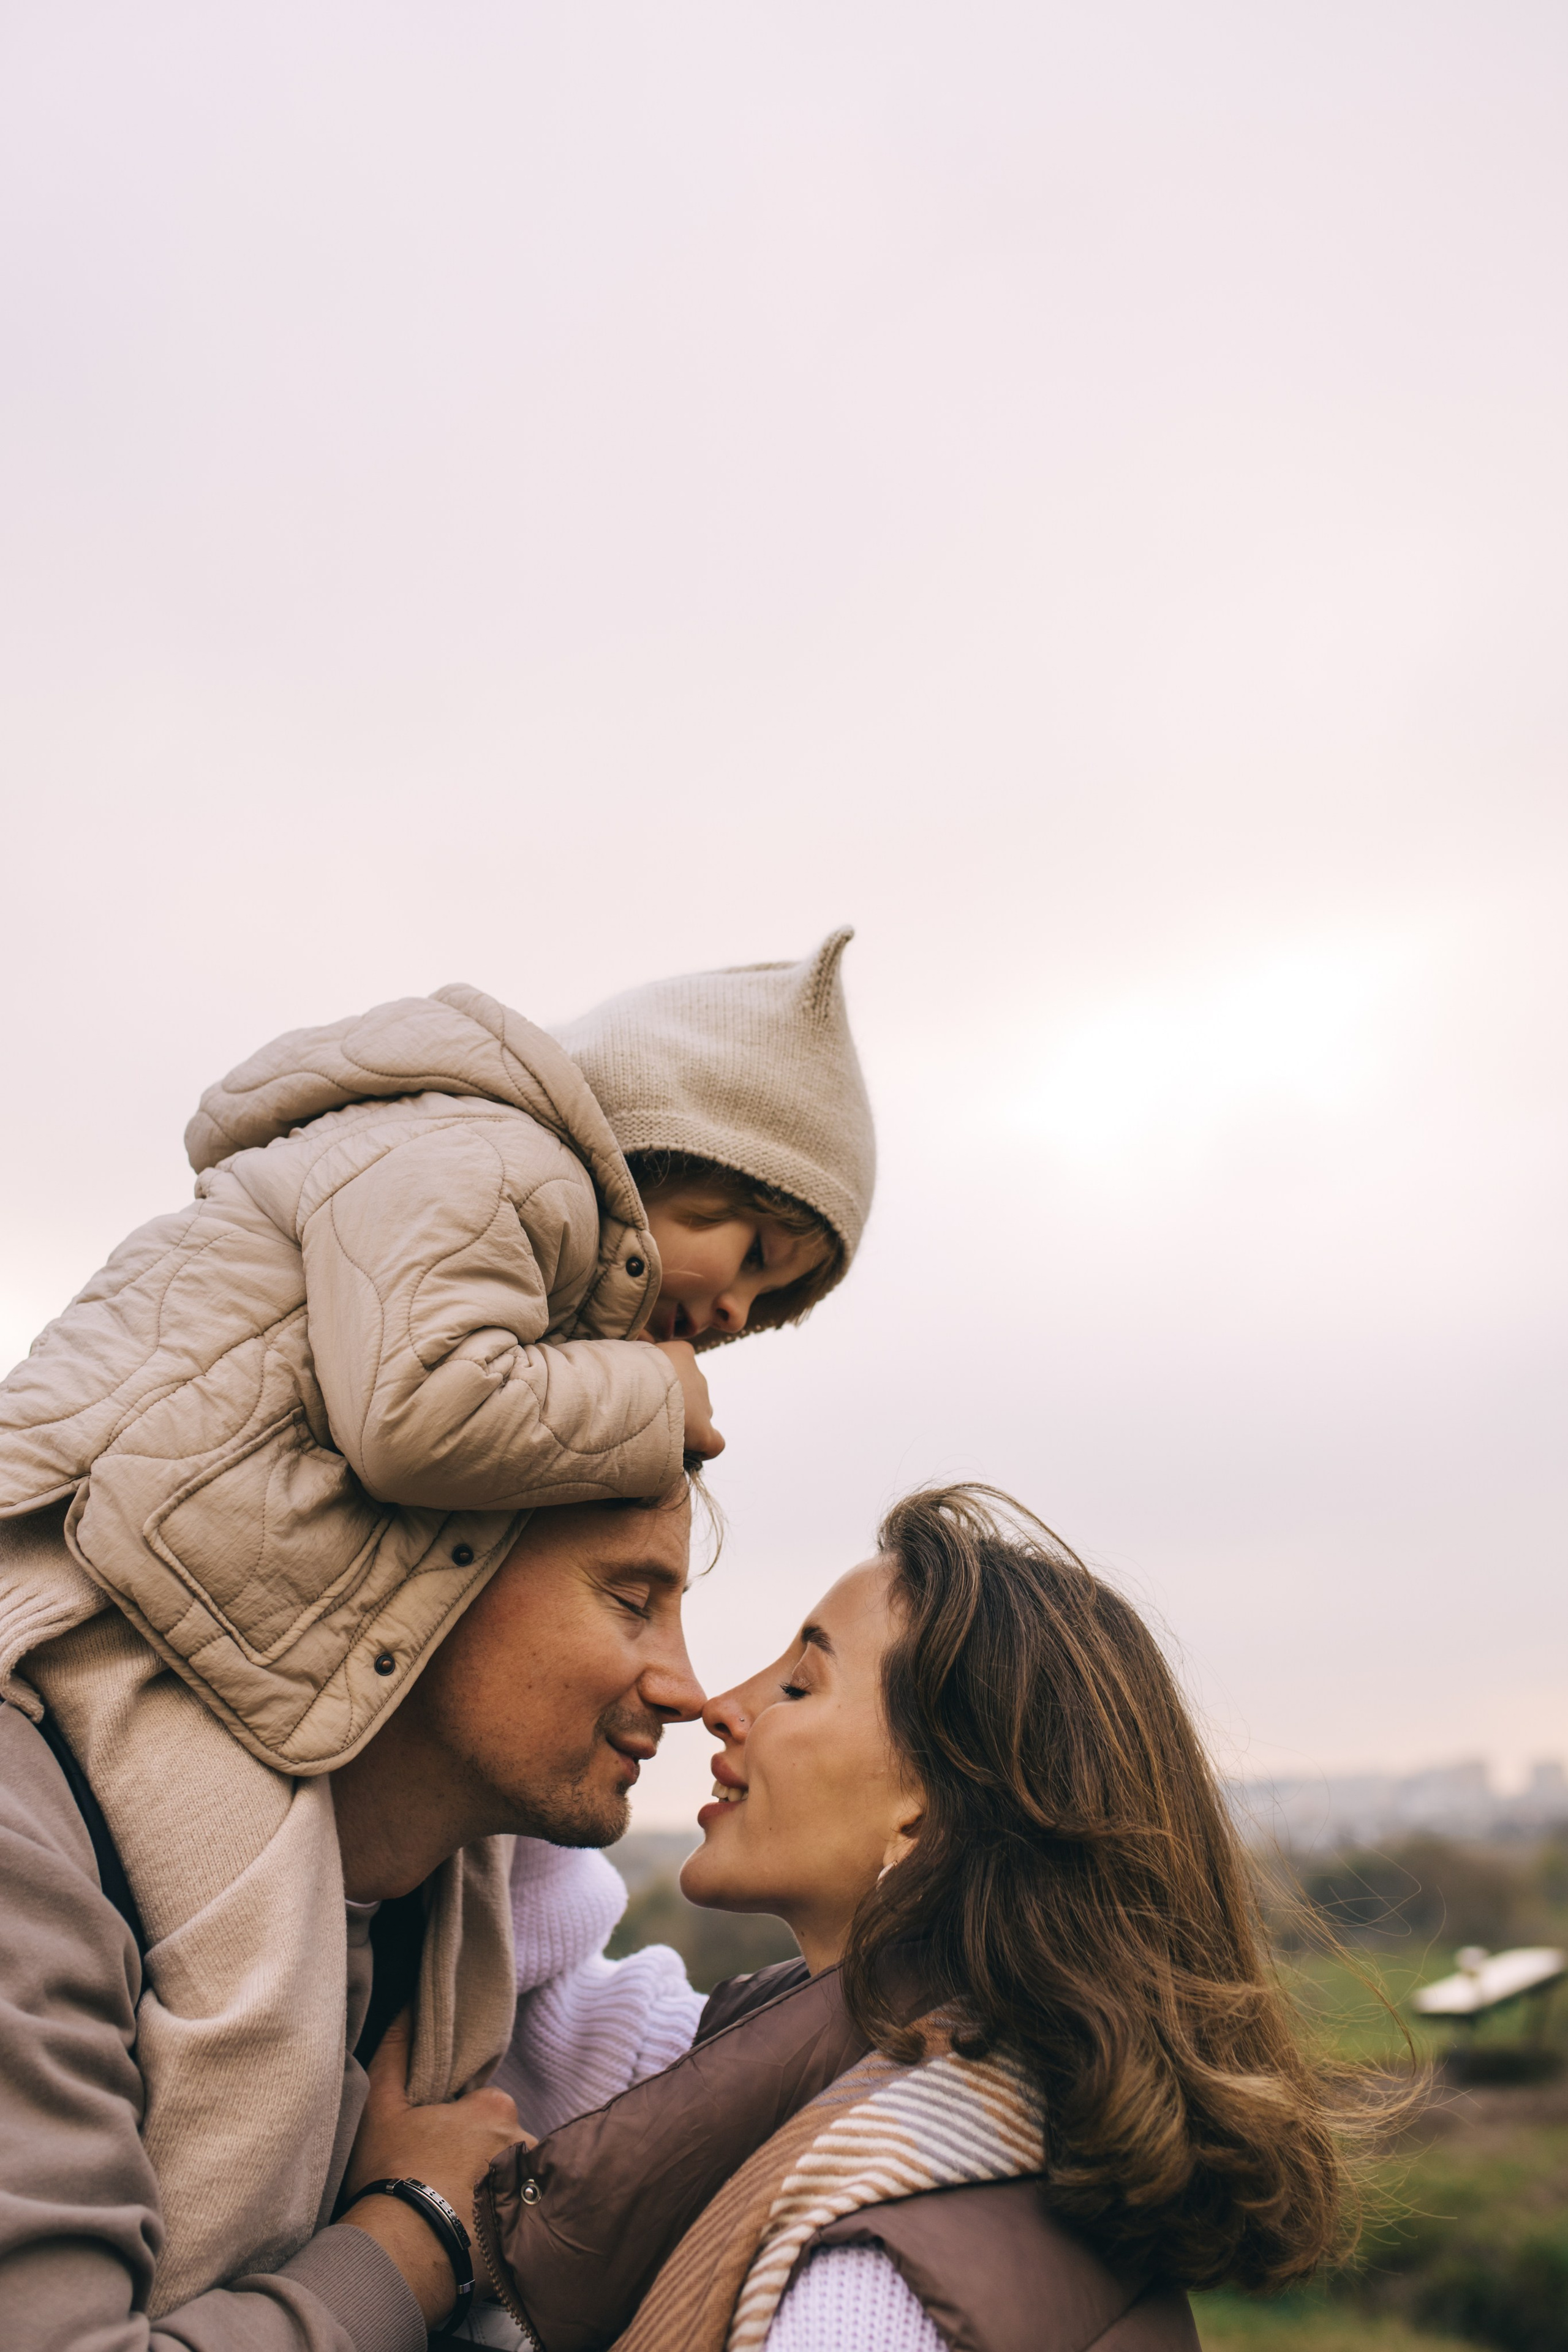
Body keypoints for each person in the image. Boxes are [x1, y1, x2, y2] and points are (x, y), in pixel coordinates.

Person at [480, 1485, 1392, 2352]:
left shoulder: (871, 2285)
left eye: (800, 1687)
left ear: (923, 1809)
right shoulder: (936, 2092)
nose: (723, 1707)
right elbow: (558, 2013)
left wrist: (410, 2244)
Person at [0, 929, 873, 1784]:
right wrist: (649, 1399)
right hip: (56, 1568)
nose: (734, 1310)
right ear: (680, 1149)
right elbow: (419, 1413)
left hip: (132, 1573)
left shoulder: (515, 1223)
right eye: (755, 1258)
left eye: (765, 1308)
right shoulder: (495, 1162)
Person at [0, 1484, 710, 2348]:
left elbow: (696, 2063)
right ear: (419, 1574)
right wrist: (421, 2236)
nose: (688, 1690)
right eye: (632, 1603)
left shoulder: (469, 1919)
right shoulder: (33, 1841)